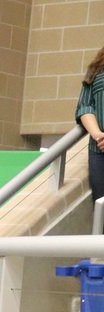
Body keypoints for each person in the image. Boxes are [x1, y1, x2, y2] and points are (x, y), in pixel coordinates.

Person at [76, 45, 104, 201]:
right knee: (100, 203)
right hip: (99, 150)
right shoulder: (96, 70)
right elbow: (85, 106)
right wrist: (98, 135)